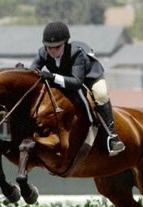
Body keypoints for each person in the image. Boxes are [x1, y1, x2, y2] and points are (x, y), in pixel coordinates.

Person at [30, 21, 125, 156]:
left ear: (65, 43)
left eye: (57, 47)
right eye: (49, 47)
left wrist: (52, 76)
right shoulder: (42, 53)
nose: (52, 51)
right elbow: (33, 72)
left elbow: (76, 82)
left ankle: (112, 136)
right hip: (65, 78)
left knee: (101, 94)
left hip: (89, 76)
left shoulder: (76, 54)